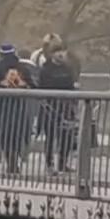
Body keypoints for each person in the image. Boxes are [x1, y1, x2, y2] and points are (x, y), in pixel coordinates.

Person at [0, 44, 35, 176]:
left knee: (5, 135)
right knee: (18, 134)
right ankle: (17, 156)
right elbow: (33, 85)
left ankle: (10, 160)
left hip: (2, 107)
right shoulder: (22, 68)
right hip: (20, 106)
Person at [36, 45, 79, 174]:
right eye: (57, 52)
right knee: (50, 137)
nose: (61, 54)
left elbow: (71, 85)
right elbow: (41, 87)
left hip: (66, 106)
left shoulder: (68, 68)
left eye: (63, 51)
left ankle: (62, 163)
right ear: (52, 54)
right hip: (50, 108)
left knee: (66, 137)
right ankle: (50, 165)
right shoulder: (46, 69)